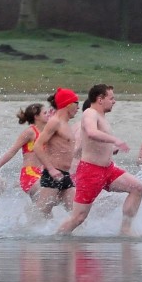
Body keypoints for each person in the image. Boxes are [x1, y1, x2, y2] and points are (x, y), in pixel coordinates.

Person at [59, 84, 142, 236]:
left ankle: (125, 229)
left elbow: (91, 144)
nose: (114, 101)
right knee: (78, 218)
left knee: (137, 188)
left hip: (108, 170)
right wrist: (115, 140)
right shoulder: (90, 113)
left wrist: (111, 148)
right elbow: (92, 133)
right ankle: (56, 239)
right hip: (90, 171)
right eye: (111, 98)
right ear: (100, 99)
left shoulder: (101, 117)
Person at [0, 103, 49, 198]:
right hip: (30, 173)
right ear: (36, 116)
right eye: (45, 113)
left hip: (42, 173)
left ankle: (28, 212)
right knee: (47, 192)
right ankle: (28, 210)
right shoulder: (30, 132)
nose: (48, 115)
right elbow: (12, 151)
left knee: (45, 206)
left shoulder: (47, 132)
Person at [32, 88, 80, 217]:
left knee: (77, 215)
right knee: (40, 216)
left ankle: (71, 236)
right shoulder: (54, 122)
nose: (78, 108)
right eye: (77, 104)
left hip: (64, 175)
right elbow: (37, 146)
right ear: (68, 104)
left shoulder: (65, 124)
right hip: (53, 174)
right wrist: (51, 169)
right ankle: (24, 235)